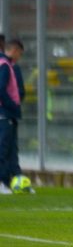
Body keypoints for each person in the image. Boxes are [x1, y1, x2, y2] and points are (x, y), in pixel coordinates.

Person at [0, 39, 25, 193]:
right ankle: (2, 182)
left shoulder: (6, 65)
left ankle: (12, 180)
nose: (19, 57)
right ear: (15, 50)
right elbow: (1, 90)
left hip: (6, 114)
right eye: (20, 53)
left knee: (9, 149)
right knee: (4, 149)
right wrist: (12, 106)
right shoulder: (5, 65)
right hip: (5, 114)